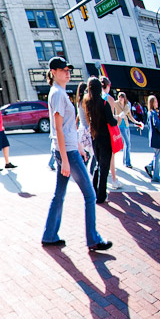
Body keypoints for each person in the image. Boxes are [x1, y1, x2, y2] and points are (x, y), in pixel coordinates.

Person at [42, 59, 112, 252]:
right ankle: (93, 239)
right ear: (53, 72)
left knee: (59, 195)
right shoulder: (57, 94)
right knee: (90, 195)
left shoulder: (60, 92)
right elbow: (58, 129)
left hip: (69, 149)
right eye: (63, 70)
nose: (67, 72)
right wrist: (65, 158)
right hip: (67, 152)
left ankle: (49, 234)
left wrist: (80, 146)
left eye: (68, 70)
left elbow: (68, 127)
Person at [87, 77, 120, 205]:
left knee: (98, 165)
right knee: (104, 168)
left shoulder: (88, 103)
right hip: (105, 138)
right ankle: (101, 196)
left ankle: (94, 190)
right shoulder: (104, 103)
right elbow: (111, 121)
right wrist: (117, 118)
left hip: (94, 137)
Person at [99, 77, 122, 189]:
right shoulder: (109, 99)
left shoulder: (98, 97)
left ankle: (106, 179)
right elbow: (111, 117)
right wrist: (118, 118)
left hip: (99, 129)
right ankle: (114, 179)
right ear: (108, 85)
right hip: (109, 130)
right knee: (111, 156)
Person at [115, 92, 144, 169]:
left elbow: (130, 116)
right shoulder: (115, 104)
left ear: (124, 98)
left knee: (127, 144)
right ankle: (127, 163)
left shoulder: (127, 106)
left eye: (121, 97)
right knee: (127, 143)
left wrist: (136, 122)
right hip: (120, 126)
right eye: (119, 97)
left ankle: (125, 161)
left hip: (126, 126)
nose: (120, 98)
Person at [144, 95, 160, 183]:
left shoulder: (150, 113)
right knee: (158, 157)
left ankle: (150, 166)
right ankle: (156, 176)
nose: (157, 103)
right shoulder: (153, 113)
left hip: (153, 137)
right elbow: (156, 124)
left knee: (156, 155)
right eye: (156, 101)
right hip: (157, 137)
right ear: (153, 103)